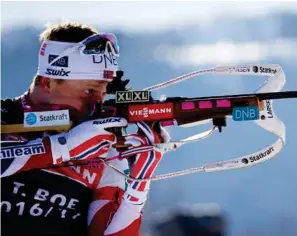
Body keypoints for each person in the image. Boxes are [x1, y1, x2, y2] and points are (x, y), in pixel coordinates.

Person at [1, 22, 170, 236]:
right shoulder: (4, 115)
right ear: (47, 82)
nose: (97, 103)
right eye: (89, 91)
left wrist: (137, 189)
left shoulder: (103, 146)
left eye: (103, 93)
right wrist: (63, 147)